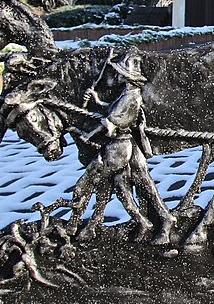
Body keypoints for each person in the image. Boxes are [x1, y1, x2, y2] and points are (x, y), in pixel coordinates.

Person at [67, 50, 176, 244]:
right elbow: (111, 109)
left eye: (119, 73)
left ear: (127, 76)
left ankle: (77, 222)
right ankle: (152, 220)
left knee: (92, 180)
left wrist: (85, 134)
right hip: (127, 146)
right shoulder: (126, 94)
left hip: (121, 146)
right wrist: (96, 99)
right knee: (132, 185)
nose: (115, 76)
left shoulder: (132, 98)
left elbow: (111, 123)